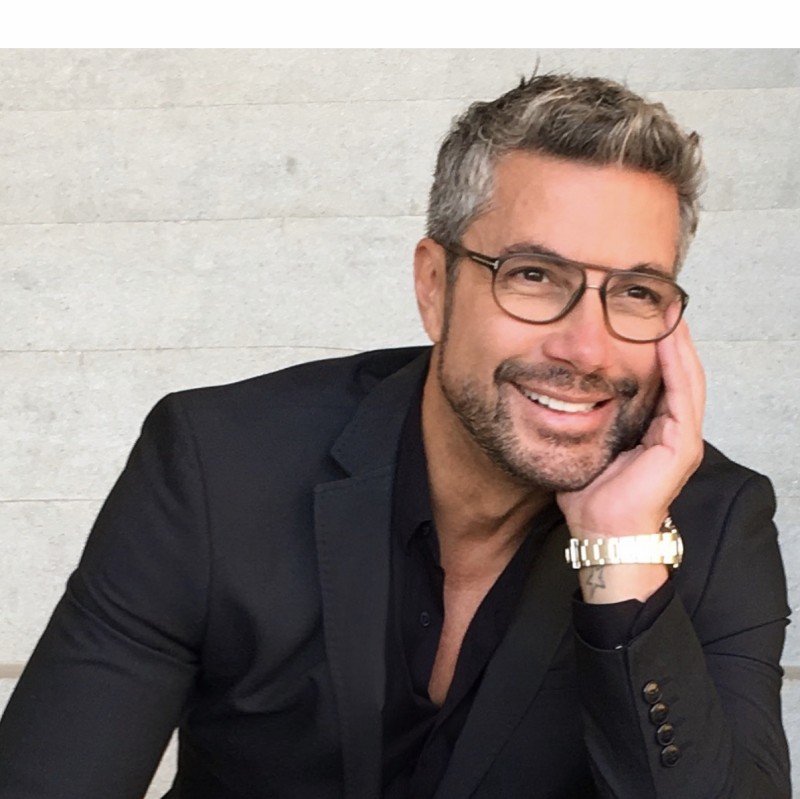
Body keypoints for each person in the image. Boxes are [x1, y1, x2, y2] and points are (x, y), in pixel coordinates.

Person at [0, 73, 791, 799]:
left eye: (636, 291)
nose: (587, 348)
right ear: (434, 286)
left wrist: (621, 552)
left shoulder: (716, 525)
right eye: (533, 275)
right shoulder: (216, 465)